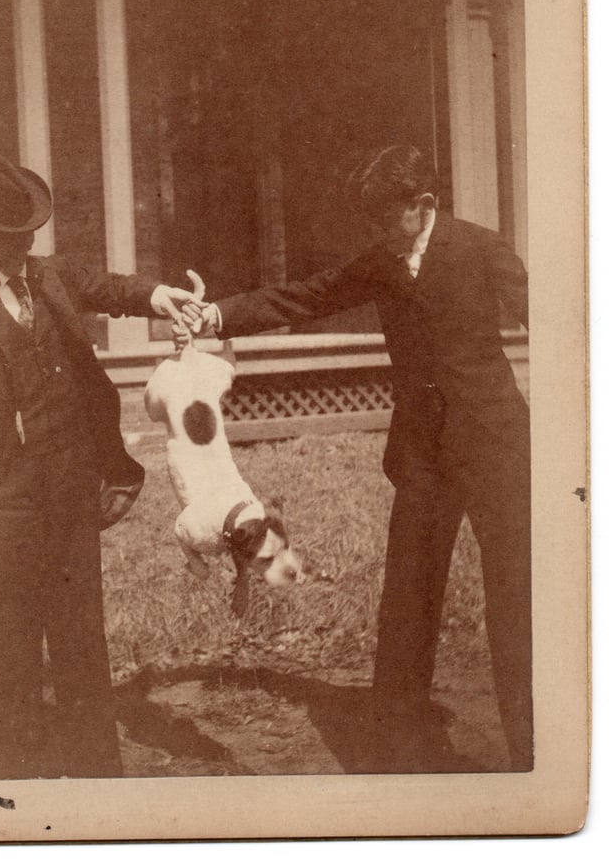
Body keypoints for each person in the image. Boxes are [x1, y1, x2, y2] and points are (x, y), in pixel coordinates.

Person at [179, 144, 532, 773]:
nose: (377, 234)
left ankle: (535, 750)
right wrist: (213, 317)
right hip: (422, 456)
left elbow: (564, 326)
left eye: (385, 218)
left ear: (422, 206)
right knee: (408, 598)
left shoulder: (482, 249)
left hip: (496, 448)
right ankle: (398, 751)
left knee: (516, 599)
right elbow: (304, 297)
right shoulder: (381, 262)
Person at [0, 150, 195, 779]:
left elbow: (110, 288)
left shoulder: (52, 278)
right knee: (15, 640)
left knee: (82, 630)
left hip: (70, 483)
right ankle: (14, 783)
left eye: (27, 237)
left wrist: (158, 294)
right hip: (3, 496)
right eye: (8, 240)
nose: (21, 250)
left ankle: (96, 775)